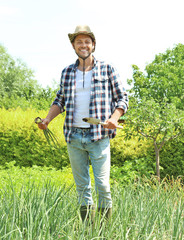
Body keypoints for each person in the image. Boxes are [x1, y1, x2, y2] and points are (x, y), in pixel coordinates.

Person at [37, 25, 129, 223]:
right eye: (79, 41)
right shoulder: (67, 72)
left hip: (98, 136)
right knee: (82, 188)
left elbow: (122, 98)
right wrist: (47, 119)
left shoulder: (107, 68)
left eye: (87, 41)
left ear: (93, 45)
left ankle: (105, 231)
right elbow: (60, 100)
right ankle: (88, 230)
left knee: (103, 186)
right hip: (74, 136)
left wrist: (113, 119)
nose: (83, 45)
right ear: (73, 46)